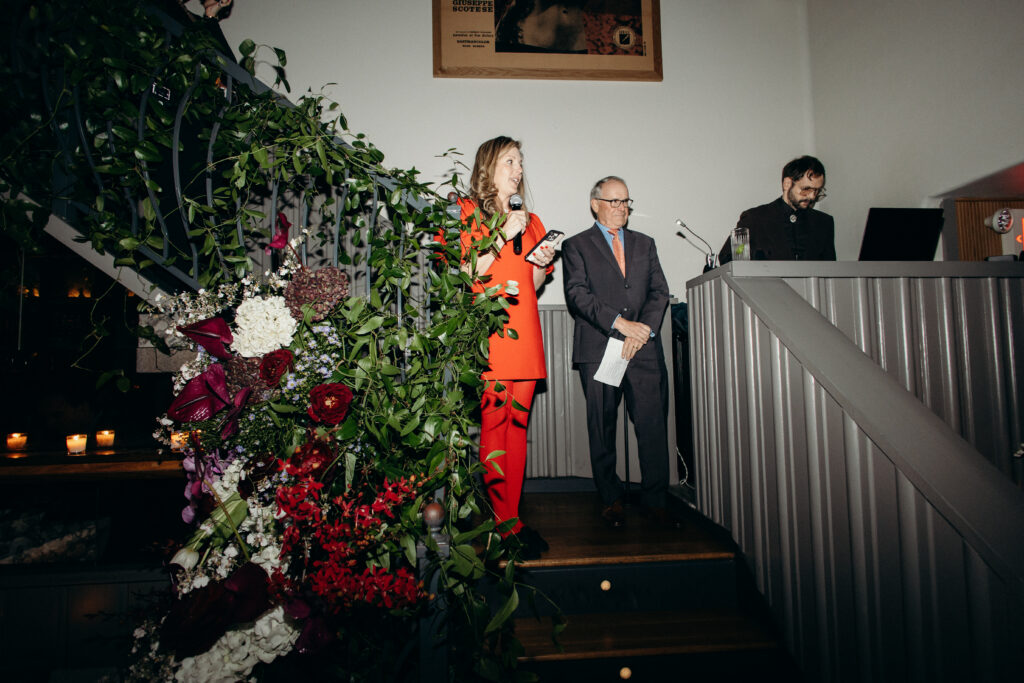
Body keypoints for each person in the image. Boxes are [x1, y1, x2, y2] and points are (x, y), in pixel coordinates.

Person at [455, 136, 556, 559]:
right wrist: (499, 235)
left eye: (520, 162)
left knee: (517, 430)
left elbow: (532, 286)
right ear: (489, 167)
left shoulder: (530, 220)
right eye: (509, 161)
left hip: (526, 332)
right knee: (495, 429)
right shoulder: (467, 212)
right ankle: (501, 523)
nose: (518, 169)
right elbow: (466, 273)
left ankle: (511, 519)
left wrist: (541, 263)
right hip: (492, 332)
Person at [562, 176, 677, 529]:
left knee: (653, 426)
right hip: (599, 348)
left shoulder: (646, 243)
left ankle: (656, 501)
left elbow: (659, 292)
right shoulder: (576, 245)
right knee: (602, 427)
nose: (622, 208)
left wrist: (641, 331)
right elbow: (577, 295)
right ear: (595, 203)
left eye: (626, 201)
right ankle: (610, 500)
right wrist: (619, 325)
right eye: (614, 201)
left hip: (642, 349)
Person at [719, 155, 836, 263]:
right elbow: (730, 259)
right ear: (787, 184)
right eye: (806, 189)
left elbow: (831, 273)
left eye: (817, 191)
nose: (812, 197)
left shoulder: (824, 223)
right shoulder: (755, 219)